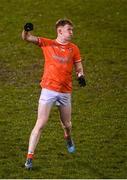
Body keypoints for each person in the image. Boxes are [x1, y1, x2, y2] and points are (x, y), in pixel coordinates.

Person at [22, 19, 86, 170]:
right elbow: (27, 38)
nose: (72, 32)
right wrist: (26, 30)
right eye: (69, 29)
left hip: (65, 92)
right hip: (48, 90)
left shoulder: (74, 48)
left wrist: (80, 75)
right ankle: (29, 158)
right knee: (40, 123)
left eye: (72, 29)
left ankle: (68, 137)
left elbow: (78, 65)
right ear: (60, 31)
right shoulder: (47, 43)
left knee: (67, 124)